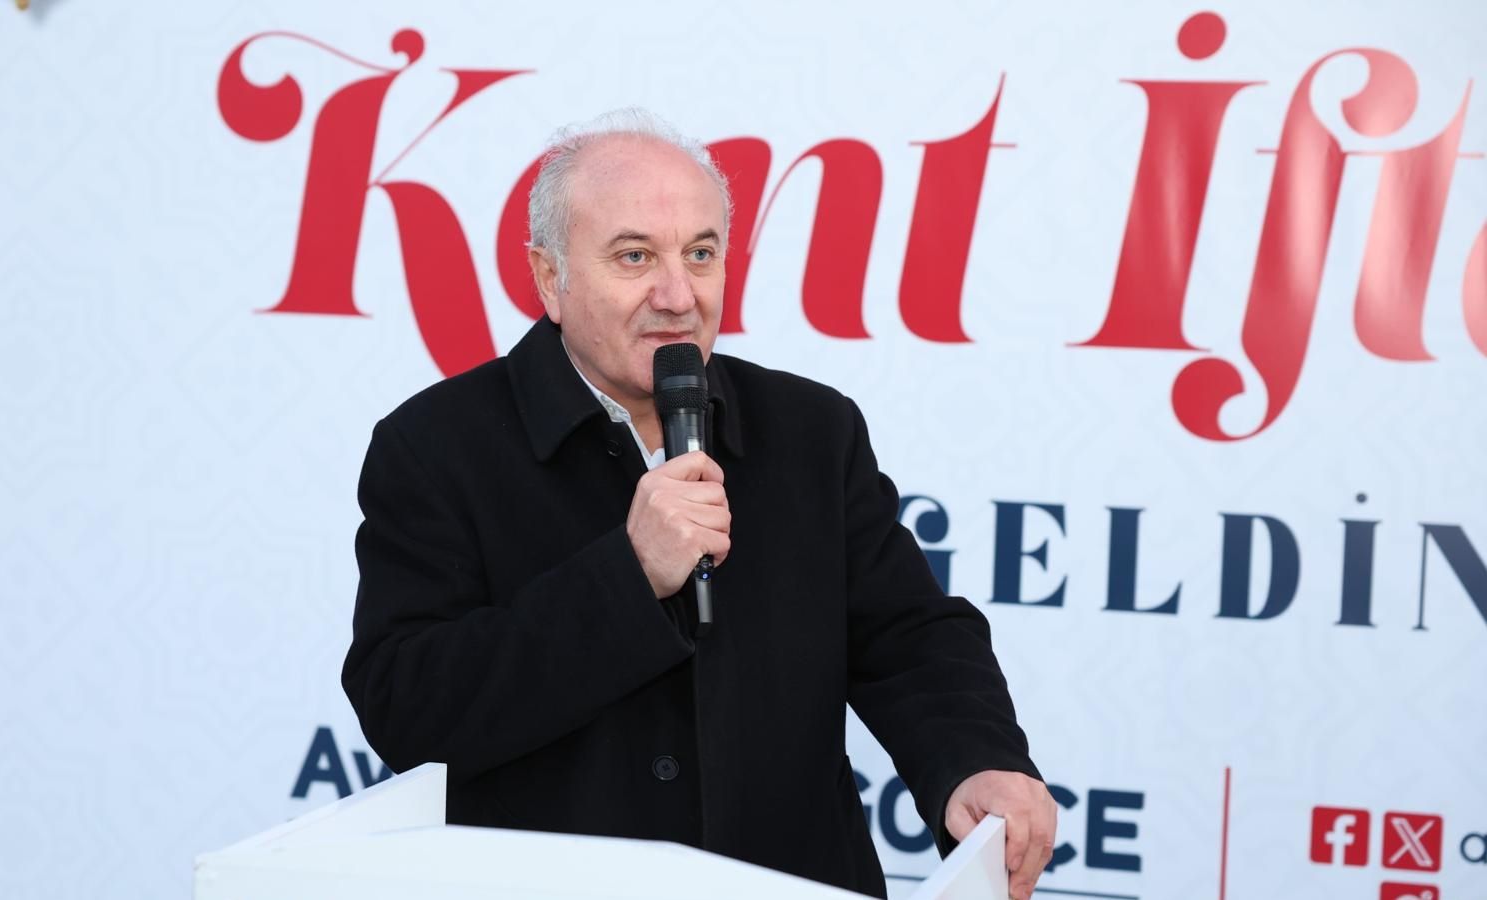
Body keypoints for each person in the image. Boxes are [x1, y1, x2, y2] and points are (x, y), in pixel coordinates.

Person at [342, 108, 1056, 899]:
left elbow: (910, 637)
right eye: (635, 256)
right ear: (550, 279)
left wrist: (976, 761)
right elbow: (406, 708)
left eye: (701, 254)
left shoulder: (812, 431)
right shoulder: (436, 446)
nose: (678, 295)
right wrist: (629, 575)